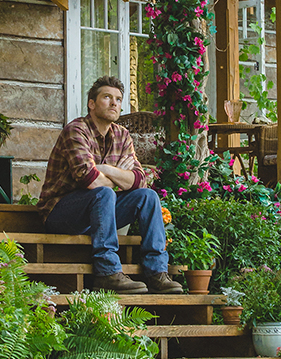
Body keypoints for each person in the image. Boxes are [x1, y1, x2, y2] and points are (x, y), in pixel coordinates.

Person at [38, 76, 183, 294]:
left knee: (147, 196)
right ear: (92, 104)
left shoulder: (122, 135)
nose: (114, 103)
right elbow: (91, 181)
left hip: (99, 210)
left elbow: (139, 180)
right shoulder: (76, 131)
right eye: (107, 97)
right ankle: (107, 272)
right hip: (61, 212)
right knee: (103, 193)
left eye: (118, 99)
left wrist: (106, 169)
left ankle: (156, 273)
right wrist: (118, 175)